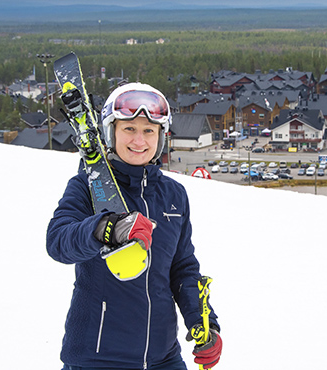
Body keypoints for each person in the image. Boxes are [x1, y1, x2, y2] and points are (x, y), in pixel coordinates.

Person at [46, 82, 222, 370]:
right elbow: (58, 242)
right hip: (96, 359)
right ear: (111, 132)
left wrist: (205, 324)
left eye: (149, 131)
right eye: (129, 129)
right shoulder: (87, 187)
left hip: (163, 359)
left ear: (160, 137)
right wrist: (106, 229)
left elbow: (183, 269)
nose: (139, 141)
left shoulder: (173, 195)